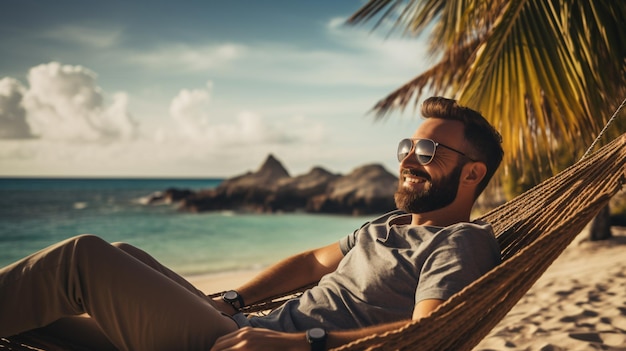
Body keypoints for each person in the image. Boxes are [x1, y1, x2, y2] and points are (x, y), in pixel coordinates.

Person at [0, 96, 504, 351]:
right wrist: (236, 298)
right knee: (105, 266)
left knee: (81, 260)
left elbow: (431, 333)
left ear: (473, 173)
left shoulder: (461, 242)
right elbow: (311, 261)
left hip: (256, 349)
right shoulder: (386, 225)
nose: (409, 159)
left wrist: (298, 344)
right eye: (408, 147)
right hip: (245, 330)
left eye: (429, 150)